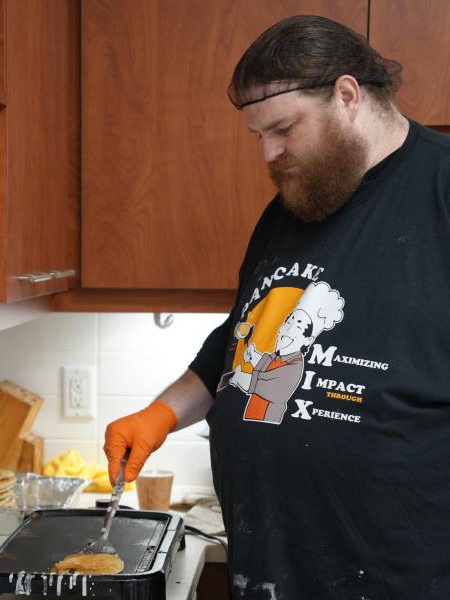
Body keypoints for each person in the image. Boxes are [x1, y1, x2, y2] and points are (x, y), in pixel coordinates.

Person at [104, 14, 450, 599]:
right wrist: (161, 414)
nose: (269, 152)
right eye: (257, 135)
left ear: (346, 95)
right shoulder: (294, 206)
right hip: (270, 570)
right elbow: (242, 342)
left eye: (284, 127)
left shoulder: (441, 189)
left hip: (402, 579)